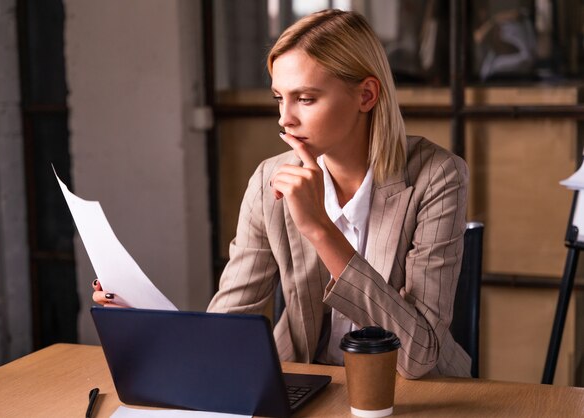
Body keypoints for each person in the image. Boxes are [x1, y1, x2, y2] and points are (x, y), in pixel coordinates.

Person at [93, 9, 470, 379]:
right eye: (279, 98)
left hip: (417, 392)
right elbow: (228, 324)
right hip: (306, 380)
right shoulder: (268, 179)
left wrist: (321, 229)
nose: (284, 118)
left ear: (367, 95)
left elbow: (418, 357)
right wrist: (141, 315)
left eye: (305, 99)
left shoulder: (436, 176)